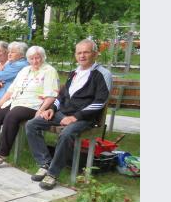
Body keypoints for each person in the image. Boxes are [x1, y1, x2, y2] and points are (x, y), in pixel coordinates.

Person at [25, 39, 113, 190]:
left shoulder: (102, 74)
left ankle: (52, 173)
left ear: (95, 53)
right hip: (63, 113)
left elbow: (100, 102)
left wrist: (76, 117)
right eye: (79, 53)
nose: (82, 56)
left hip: (84, 118)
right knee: (32, 124)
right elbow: (62, 96)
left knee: (66, 134)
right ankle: (44, 163)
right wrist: (52, 108)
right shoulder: (74, 73)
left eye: (86, 52)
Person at [0, 46, 59, 166]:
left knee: (12, 115)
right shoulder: (25, 70)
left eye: (37, 58)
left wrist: (42, 109)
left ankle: (3, 154)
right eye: (31, 58)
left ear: (43, 57)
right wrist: (0, 103)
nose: (35, 61)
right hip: (15, 101)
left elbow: (52, 95)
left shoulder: (49, 71)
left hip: (33, 104)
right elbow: (11, 90)